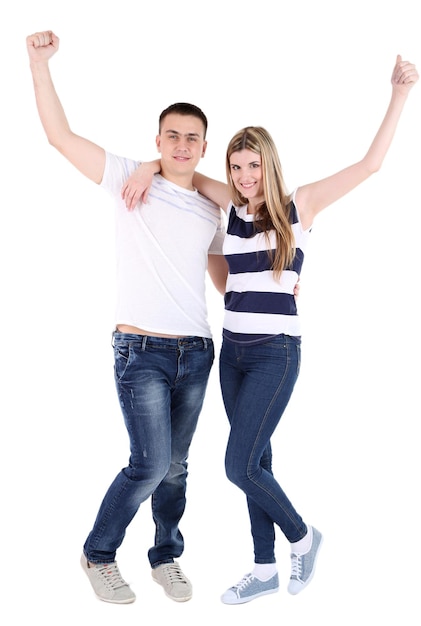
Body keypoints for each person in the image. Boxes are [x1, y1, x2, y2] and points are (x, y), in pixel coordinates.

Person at [121, 54, 419, 604]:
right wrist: (145, 166)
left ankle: (303, 538)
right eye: (235, 167)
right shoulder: (229, 209)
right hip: (231, 352)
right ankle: (263, 570)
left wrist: (398, 95)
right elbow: (177, 166)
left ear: (269, 165)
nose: (243, 177)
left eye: (252, 166)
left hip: (275, 355)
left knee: (238, 464)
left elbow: (371, 165)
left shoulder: (297, 205)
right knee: (258, 462)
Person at [25, 30, 231, 605]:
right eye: (172, 136)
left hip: (196, 350)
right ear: (158, 139)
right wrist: (39, 65)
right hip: (140, 351)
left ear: (204, 146)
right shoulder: (127, 180)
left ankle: (166, 556)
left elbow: (218, 279)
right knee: (149, 462)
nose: (182, 144)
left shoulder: (211, 206)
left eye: (193, 138)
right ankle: (98, 553)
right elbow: (58, 136)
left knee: (176, 467)